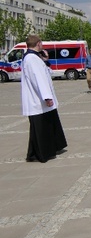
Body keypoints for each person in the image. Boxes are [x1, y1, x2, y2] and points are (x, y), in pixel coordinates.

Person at [21, 35, 67, 163]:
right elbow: (38, 80)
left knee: (49, 125)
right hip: (38, 101)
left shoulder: (35, 58)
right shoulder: (31, 59)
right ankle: (41, 153)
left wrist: (45, 60)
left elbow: (46, 73)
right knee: (41, 128)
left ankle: (52, 147)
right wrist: (47, 97)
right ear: (38, 44)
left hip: (40, 100)